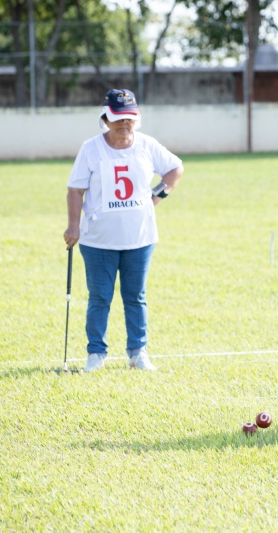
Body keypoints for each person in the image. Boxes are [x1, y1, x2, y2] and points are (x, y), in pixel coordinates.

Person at [63, 89, 184, 372]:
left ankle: (137, 353)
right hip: (98, 240)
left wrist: (155, 198)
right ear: (105, 118)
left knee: (135, 296)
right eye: (118, 118)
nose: (124, 124)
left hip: (140, 237)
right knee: (99, 297)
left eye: (129, 117)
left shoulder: (147, 145)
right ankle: (96, 354)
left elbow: (175, 169)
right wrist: (72, 225)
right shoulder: (91, 148)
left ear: (137, 117)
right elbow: (75, 189)